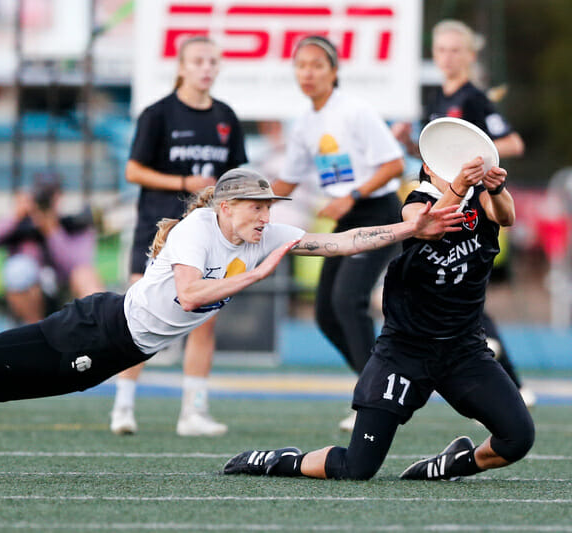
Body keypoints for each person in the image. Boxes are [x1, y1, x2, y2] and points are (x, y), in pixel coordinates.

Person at [0, 168, 462, 469]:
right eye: (255, 205)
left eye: (267, 205)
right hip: (98, 329)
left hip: (110, 348)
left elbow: (340, 241)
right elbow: (195, 296)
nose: (265, 213)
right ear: (225, 206)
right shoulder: (202, 230)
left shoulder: (258, 231)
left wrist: (409, 229)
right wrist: (256, 274)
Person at [224, 158, 535, 482]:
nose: (458, 173)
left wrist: (496, 187)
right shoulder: (417, 203)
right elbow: (426, 226)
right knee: (357, 468)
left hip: (463, 350)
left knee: (518, 438)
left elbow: (506, 215)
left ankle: (450, 465)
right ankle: (277, 460)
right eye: (448, 165)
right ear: (429, 167)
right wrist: (459, 186)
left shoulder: (481, 196)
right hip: (405, 351)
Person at [391, 19, 533, 407]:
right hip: (444, 201)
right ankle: (508, 384)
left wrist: (476, 148)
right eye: (441, 50)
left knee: (467, 291)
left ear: (470, 55)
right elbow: (435, 161)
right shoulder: (437, 98)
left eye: (456, 50)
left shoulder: (473, 98)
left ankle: (511, 385)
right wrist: (408, 142)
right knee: (455, 292)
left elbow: (513, 144)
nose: (448, 57)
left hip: (476, 205)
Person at [112, 35, 248, 437]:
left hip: (208, 236)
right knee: (137, 319)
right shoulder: (158, 114)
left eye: (212, 61)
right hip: (157, 231)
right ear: (182, 67)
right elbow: (133, 171)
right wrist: (185, 181)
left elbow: (235, 177)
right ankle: (123, 406)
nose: (206, 68)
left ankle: (194, 412)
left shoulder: (226, 116)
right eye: (198, 61)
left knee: (204, 320)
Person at [270, 36, 405, 431]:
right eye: (301, 66)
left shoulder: (355, 111)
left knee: (348, 301)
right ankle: (382, 386)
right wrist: (244, 207)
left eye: (316, 65)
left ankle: (375, 399)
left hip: (376, 211)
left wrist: (352, 196)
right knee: (326, 314)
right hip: (345, 219)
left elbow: (394, 164)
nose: (307, 73)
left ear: (333, 70)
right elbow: (287, 182)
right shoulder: (305, 125)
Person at [0, 173, 104, 324]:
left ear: (59, 196)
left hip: (65, 292)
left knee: (85, 275)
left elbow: (79, 263)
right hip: (32, 295)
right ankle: (34, 335)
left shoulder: (74, 225)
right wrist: (15, 218)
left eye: (51, 194)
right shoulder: (19, 223)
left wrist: (52, 231)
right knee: (18, 269)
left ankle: (99, 331)